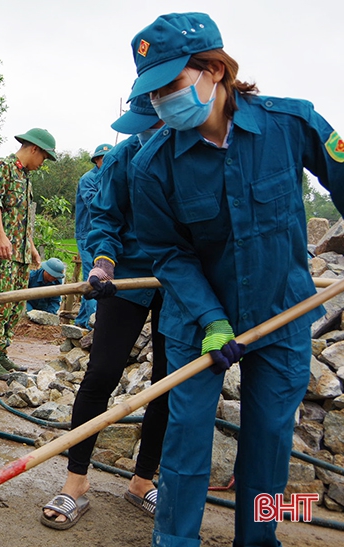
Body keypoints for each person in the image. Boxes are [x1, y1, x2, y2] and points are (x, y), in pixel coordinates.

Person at [127, 12, 344, 546]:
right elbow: (166, 254)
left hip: (282, 309)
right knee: (187, 441)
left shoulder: (291, 123)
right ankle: (174, 540)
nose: (160, 103)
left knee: (271, 440)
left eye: (170, 86)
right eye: (151, 94)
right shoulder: (150, 164)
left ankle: (260, 539)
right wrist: (212, 318)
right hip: (198, 323)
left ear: (215, 70)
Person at [41, 93, 169, 530]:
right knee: (101, 374)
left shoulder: (200, 154)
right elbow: (104, 220)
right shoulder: (123, 157)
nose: (145, 135)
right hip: (129, 278)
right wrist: (103, 261)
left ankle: (141, 481)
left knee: (166, 384)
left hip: (182, 283)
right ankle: (76, 482)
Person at [0, 128, 55, 380]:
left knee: (15, 305)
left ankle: (1, 353)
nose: (42, 163)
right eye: (44, 157)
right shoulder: (1, 168)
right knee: (0, 304)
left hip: (20, 254)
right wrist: (1, 237)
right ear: (34, 149)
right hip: (2, 252)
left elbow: (22, 220)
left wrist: (31, 247)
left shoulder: (25, 178)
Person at [74, 143, 111, 329]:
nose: (108, 161)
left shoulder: (111, 177)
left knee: (94, 274)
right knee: (94, 275)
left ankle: (81, 320)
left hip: (103, 233)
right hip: (87, 234)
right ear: (97, 159)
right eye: (104, 158)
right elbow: (94, 205)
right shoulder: (88, 179)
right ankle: (94, 325)